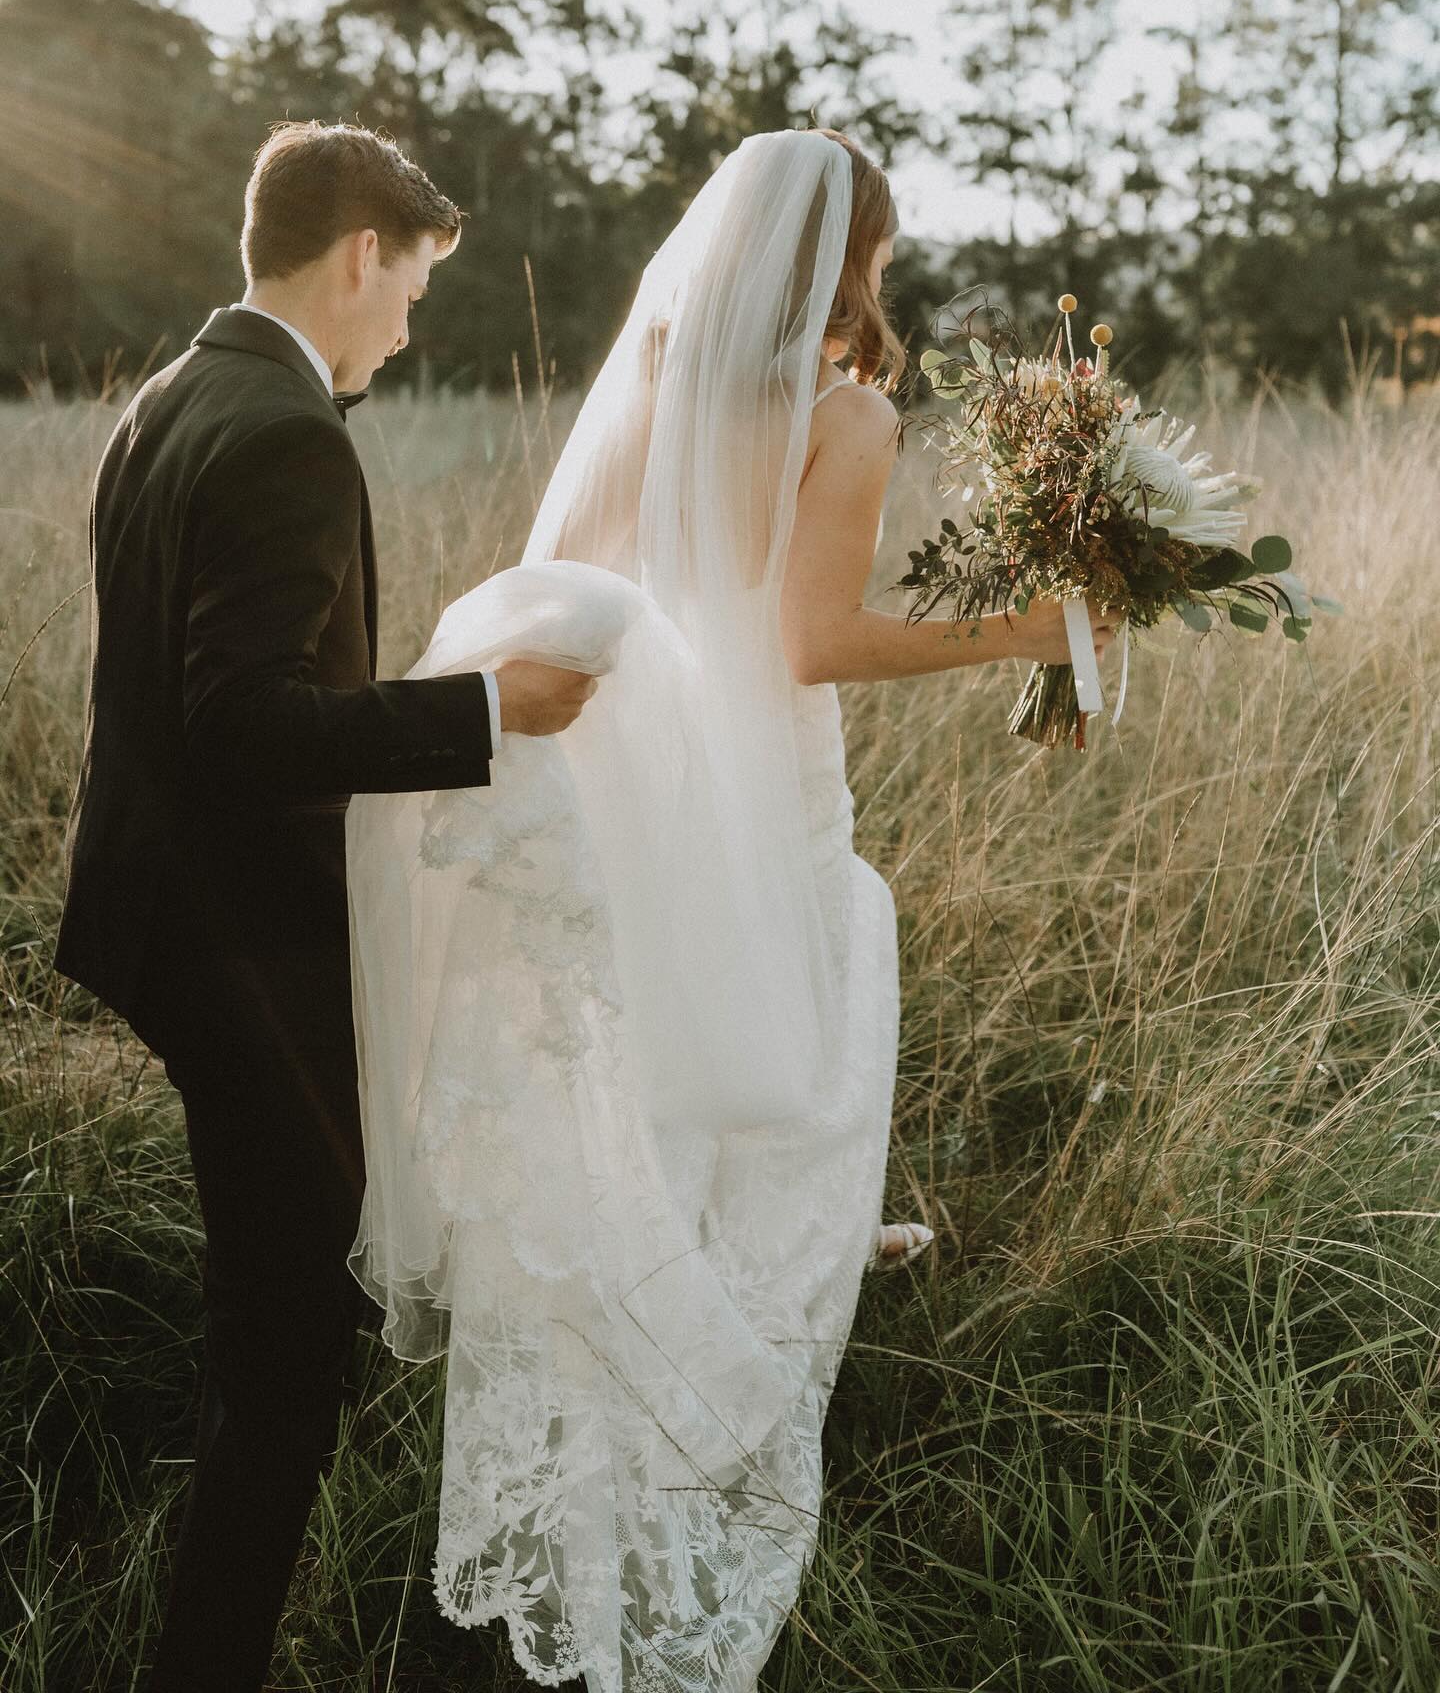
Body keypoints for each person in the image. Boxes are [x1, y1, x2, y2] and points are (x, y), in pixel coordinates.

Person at [346, 125, 1116, 1693]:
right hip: (760, 801)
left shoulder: (662, 392)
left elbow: (580, 582)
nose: (877, 292)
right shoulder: (847, 414)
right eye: (878, 264)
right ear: (846, 266)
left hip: (644, 812)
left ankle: (540, 1566)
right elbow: (814, 643)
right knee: (767, 1107)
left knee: (641, 1140)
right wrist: (1022, 631)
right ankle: (712, 1448)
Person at [52, 120, 595, 1693]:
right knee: (286, 1352)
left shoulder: (169, 396)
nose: (413, 324)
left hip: (164, 920)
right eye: (416, 285)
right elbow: (244, 721)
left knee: (285, 1314)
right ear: (364, 253)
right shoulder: (290, 432)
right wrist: (483, 713)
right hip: (240, 944)